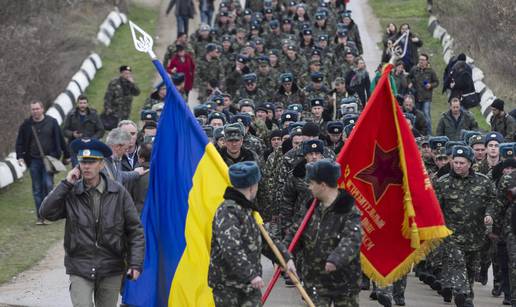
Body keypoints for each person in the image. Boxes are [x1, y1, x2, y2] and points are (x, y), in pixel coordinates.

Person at [39, 139, 144, 307]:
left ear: (102, 165)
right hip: (80, 266)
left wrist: (135, 264)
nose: (86, 166)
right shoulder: (72, 192)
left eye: (91, 162)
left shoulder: (118, 193)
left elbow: (135, 230)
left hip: (111, 267)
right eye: (83, 162)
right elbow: (46, 213)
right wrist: (66, 184)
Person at [208, 161, 296, 306]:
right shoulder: (228, 211)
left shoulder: (245, 209)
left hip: (248, 286)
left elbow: (265, 240)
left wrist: (285, 258)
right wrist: (251, 274)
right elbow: (231, 247)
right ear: (252, 185)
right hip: (229, 287)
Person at [284, 159, 361, 306]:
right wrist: (285, 255)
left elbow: (352, 239)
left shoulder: (348, 210)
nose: (309, 187)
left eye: (312, 183)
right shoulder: (311, 208)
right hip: (315, 282)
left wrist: (335, 259)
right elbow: (295, 234)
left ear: (323, 185)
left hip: (344, 284)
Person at [434, 145, 498, 307]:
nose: (458, 166)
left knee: (471, 268)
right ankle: (461, 293)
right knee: (458, 263)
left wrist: (489, 214)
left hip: (475, 235)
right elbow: (435, 208)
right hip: (452, 235)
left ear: (470, 163)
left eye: (462, 163)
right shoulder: (443, 183)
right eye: (455, 162)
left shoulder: (483, 182)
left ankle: (467, 294)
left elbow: (493, 200)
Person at [15, 100, 69, 224]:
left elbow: (60, 139)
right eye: (33, 109)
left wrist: (66, 155)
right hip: (33, 160)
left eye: (37, 109)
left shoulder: (52, 122)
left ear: (42, 109)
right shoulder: (26, 125)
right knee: (37, 188)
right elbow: (20, 141)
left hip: (49, 160)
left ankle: (50, 212)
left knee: (48, 185)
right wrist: (19, 156)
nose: (35, 111)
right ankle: (41, 216)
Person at [408, 53, 439, 134]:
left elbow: (436, 82)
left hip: (426, 97)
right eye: (420, 59)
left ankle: (429, 135)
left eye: (423, 60)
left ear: (426, 61)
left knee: (426, 114)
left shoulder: (430, 71)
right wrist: (410, 83)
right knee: (417, 116)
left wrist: (431, 85)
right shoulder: (414, 69)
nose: (421, 61)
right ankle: (417, 133)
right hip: (416, 97)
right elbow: (408, 77)